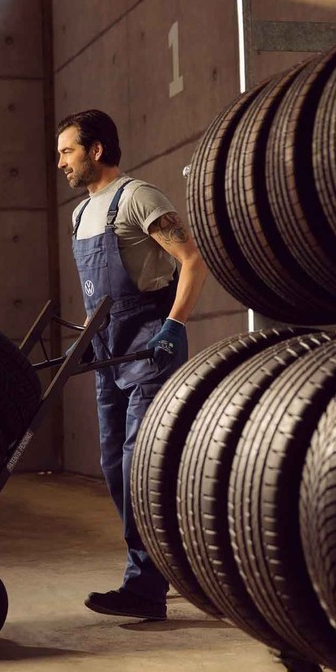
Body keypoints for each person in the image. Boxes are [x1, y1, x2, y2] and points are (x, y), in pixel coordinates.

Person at [57, 109, 209, 620]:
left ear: (96, 150)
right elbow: (98, 290)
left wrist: (175, 325)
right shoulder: (79, 215)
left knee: (140, 464)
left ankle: (148, 583)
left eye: (67, 151)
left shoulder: (138, 198)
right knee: (114, 465)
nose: (61, 163)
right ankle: (155, 574)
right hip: (107, 348)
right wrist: (86, 333)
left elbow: (191, 260)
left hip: (149, 343)